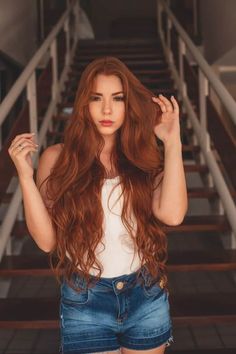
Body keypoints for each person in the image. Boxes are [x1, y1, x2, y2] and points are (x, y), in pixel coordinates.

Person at [8, 56, 188, 354]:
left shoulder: (142, 157)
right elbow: (47, 242)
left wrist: (172, 143)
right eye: (97, 98)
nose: (107, 109)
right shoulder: (58, 158)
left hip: (144, 293)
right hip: (85, 298)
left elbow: (173, 214)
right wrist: (26, 178)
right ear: (84, 104)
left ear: (127, 105)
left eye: (117, 99)